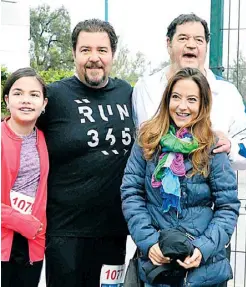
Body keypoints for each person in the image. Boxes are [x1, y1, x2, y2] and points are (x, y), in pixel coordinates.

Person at [121, 68, 240, 286]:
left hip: (203, 270)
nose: (182, 106)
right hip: (156, 265)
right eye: (176, 97)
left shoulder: (212, 146)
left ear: (203, 105)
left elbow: (228, 206)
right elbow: (131, 194)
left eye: (192, 99)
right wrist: (149, 242)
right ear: (167, 100)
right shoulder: (147, 142)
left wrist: (203, 248)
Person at [37, 19, 134, 287]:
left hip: (114, 230)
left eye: (102, 50)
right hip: (65, 232)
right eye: (85, 50)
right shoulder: (54, 96)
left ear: (112, 54)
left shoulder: (127, 93)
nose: (94, 58)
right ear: (74, 54)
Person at [132, 13, 246, 171]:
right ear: (168, 43)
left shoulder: (228, 92)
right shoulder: (145, 88)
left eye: (199, 40)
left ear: (206, 46)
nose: (191, 45)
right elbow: (136, 151)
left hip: (211, 191)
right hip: (156, 192)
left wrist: (230, 147)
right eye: (183, 38)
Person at [1, 67, 49, 287]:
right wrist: (21, 221)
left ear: (44, 103)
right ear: (7, 99)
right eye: (18, 93)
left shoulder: (45, 139)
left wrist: (35, 228)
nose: (26, 100)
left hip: (31, 244)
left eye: (34, 94)